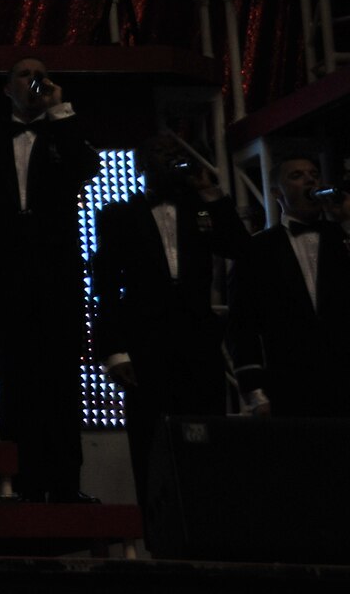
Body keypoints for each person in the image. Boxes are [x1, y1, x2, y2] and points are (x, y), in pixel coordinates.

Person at [0, 57, 99, 503]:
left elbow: (86, 166)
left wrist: (60, 109)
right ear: (6, 89)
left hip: (56, 274)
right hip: (8, 272)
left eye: (42, 73)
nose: (35, 80)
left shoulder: (63, 129)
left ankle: (65, 482)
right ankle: (21, 481)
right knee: (16, 376)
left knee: (61, 376)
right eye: (24, 73)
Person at [92, 136, 248, 507]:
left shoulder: (202, 211)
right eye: (162, 154)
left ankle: (207, 525)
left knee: (205, 436)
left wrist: (210, 191)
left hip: (197, 342)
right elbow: (106, 285)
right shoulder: (120, 215)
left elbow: (240, 248)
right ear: (143, 166)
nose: (172, 160)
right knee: (149, 440)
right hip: (145, 344)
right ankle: (156, 530)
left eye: (177, 154)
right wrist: (114, 351)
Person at [228, 156, 350, 419]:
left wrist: (346, 222)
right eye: (297, 176)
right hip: (289, 385)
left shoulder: (341, 237)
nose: (310, 180)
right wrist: (256, 393)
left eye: (314, 175)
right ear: (276, 192)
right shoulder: (256, 250)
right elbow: (242, 325)